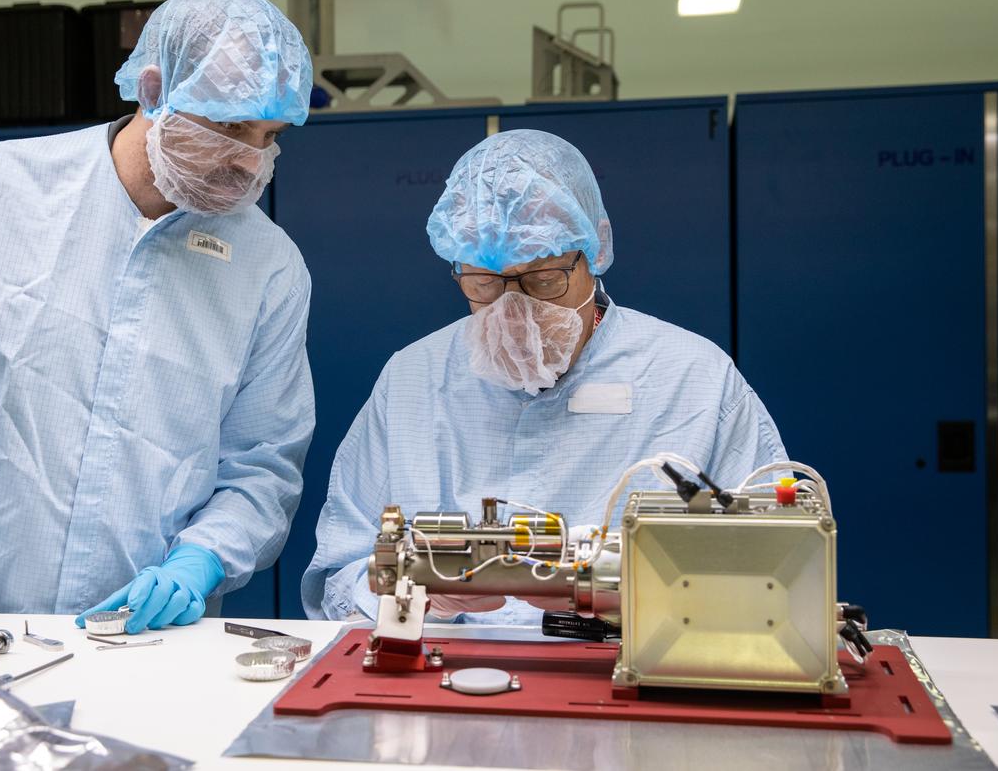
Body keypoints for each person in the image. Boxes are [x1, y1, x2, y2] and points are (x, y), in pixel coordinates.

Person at [0, 0, 316, 636]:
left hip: (138, 641)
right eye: (228, 126)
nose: (248, 162)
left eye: (270, 135)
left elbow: (263, 466)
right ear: (154, 90)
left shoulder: (269, 268)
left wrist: (202, 558)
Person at [302, 129, 787, 623]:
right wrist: (411, 594)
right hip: (442, 679)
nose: (515, 311)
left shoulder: (693, 382)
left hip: (625, 678)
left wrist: (631, 598)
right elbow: (337, 581)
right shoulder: (412, 380)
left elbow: (774, 579)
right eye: (484, 283)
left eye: (544, 280)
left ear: (594, 253)